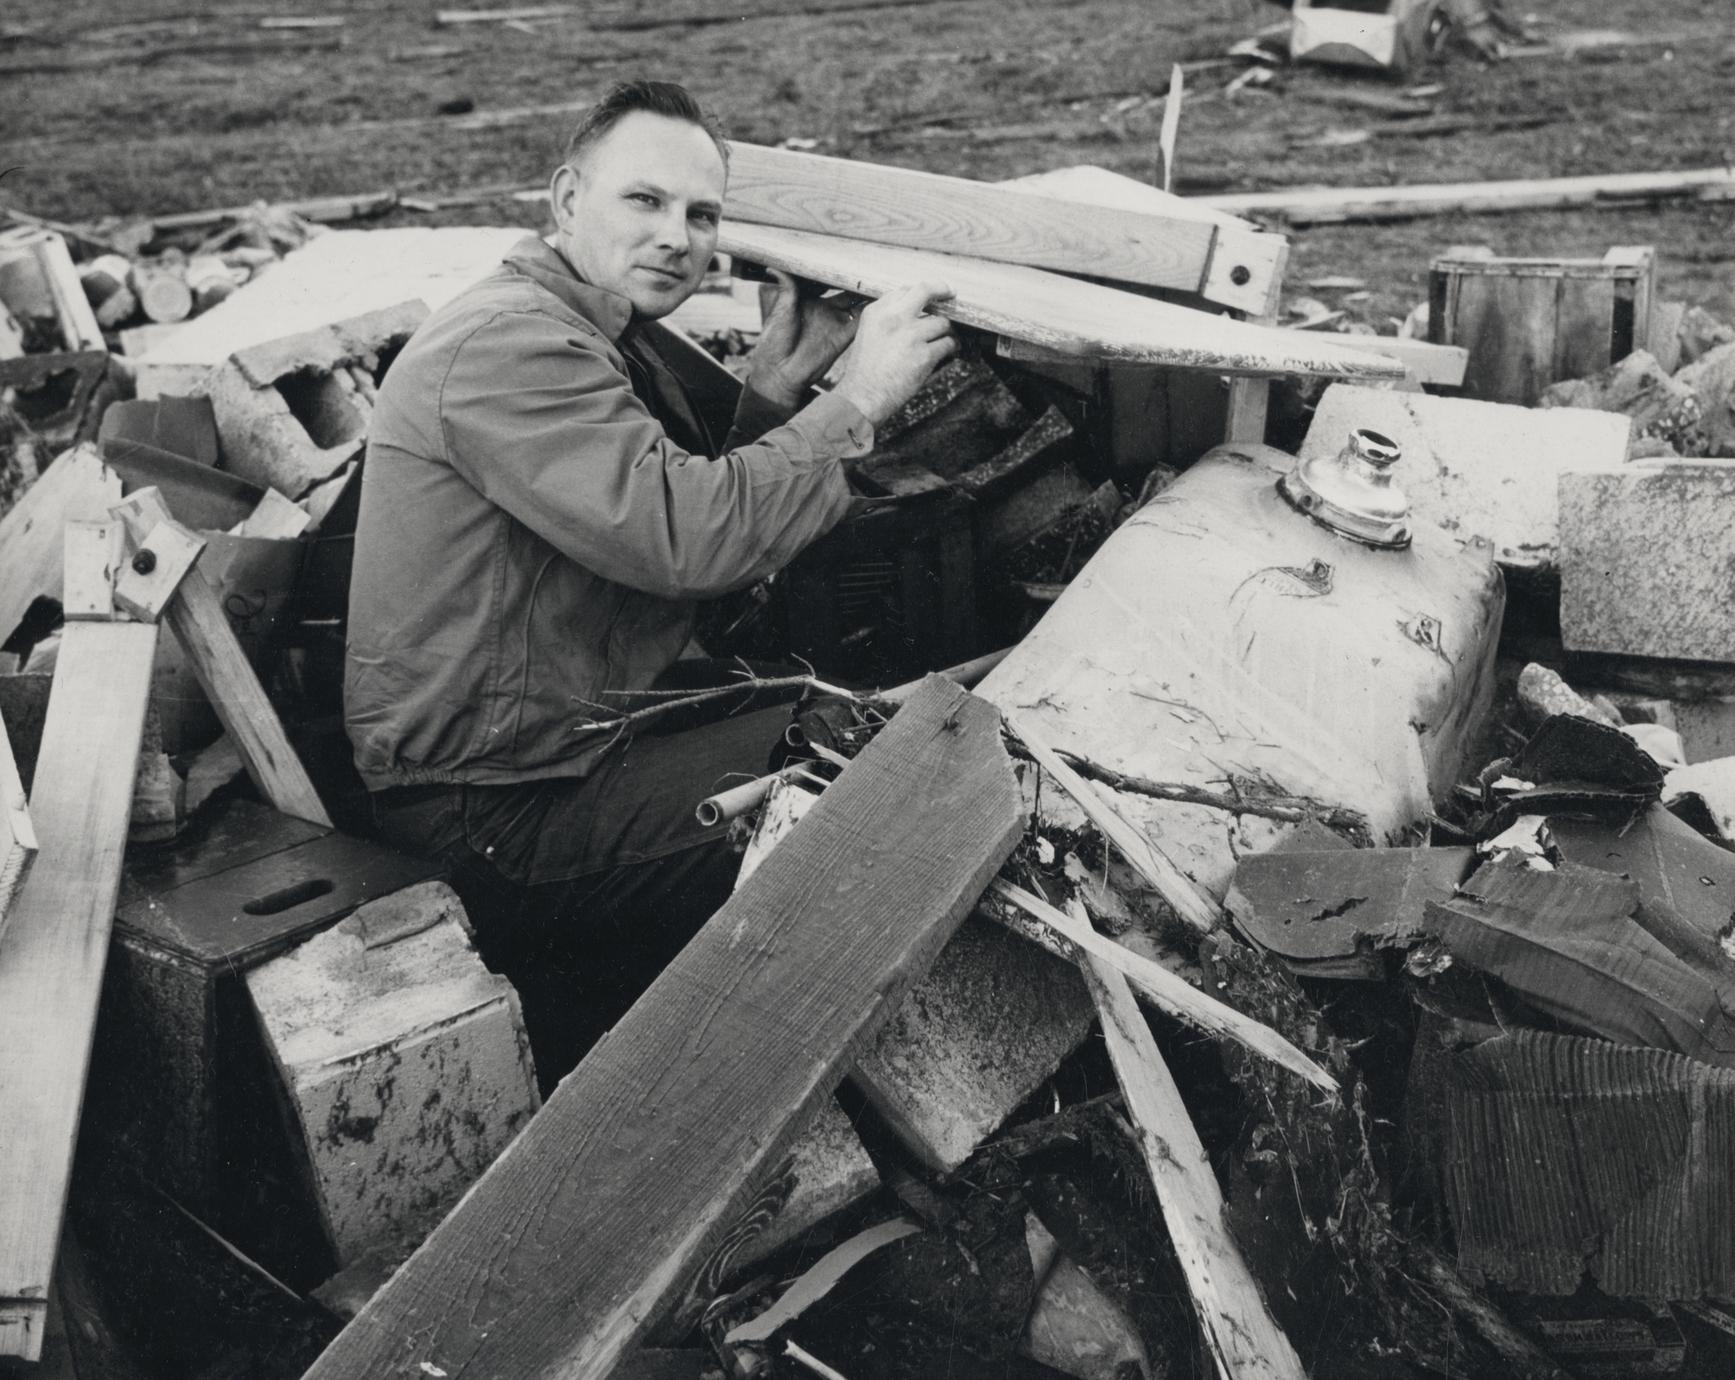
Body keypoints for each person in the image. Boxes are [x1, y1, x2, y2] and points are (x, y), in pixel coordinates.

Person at [344, 79, 957, 1087]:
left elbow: (666, 536)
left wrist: (767, 391)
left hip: (550, 750)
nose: (678, 236)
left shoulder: (583, 328)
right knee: (846, 789)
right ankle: (780, 1098)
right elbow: (689, 541)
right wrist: (857, 399)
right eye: (645, 201)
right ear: (565, 198)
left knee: (827, 713)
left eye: (701, 214)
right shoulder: (510, 344)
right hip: (487, 812)